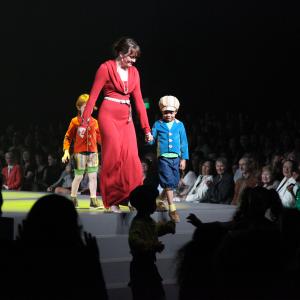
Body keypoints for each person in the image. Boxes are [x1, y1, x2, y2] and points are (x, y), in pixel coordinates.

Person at [78, 37, 153, 213]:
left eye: (135, 58)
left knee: (131, 159)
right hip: (108, 115)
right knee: (113, 157)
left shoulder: (134, 72)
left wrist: (146, 128)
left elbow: (140, 102)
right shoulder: (106, 68)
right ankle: (112, 200)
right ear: (120, 53)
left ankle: (130, 197)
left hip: (126, 118)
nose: (133, 61)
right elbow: (94, 96)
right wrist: (84, 123)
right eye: (130, 57)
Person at [128, 185, 175, 300]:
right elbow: (134, 240)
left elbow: (154, 230)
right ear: (146, 205)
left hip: (147, 264)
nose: (155, 204)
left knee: (154, 292)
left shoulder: (147, 220)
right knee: (147, 293)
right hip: (141, 266)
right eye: (153, 202)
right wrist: (152, 246)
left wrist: (169, 225)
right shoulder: (138, 223)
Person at [148, 95, 189, 222]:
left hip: (176, 158)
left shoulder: (179, 125)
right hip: (163, 158)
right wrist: (149, 138)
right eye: (166, 112)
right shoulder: (158, 124)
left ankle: (160, 199)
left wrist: (183, 159)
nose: (168, 115)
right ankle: (172, 209)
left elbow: (184, 143)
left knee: (173, 182)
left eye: (171, 112)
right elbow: (152, 140)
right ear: (162, 112)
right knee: (168, 182)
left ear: (176, 112)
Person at [62, 94, 102, 208]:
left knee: (93, 176)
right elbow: (68, 137)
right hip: (80, 153)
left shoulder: (95, 122)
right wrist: (66, 151)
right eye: (85, 106)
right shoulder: (75, 121)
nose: (88, 109)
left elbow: (99, 137)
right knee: (78, 176)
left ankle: (93, 200)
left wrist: (108, 146)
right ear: (79, 107)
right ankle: (73, 198)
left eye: (90, 106)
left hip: (93, 153)